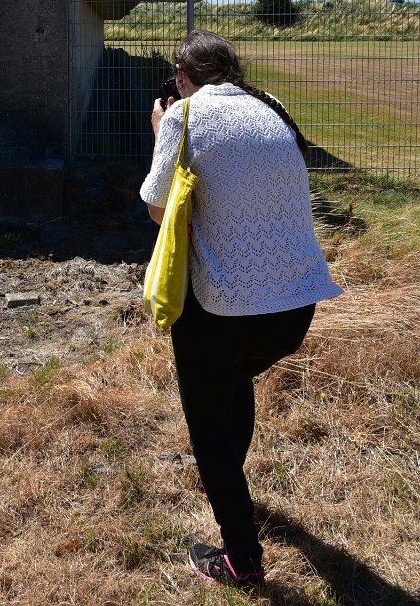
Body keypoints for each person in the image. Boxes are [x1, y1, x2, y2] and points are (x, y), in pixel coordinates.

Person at [140, 29, 343, 590]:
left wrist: (161, 131)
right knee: (234, 382)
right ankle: (231, 482)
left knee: (209, 427)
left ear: (182, 77)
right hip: (295, 307)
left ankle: (242, 561)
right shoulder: (271, 105)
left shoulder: (184, 117)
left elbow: (157, 208)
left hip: (223, 310)